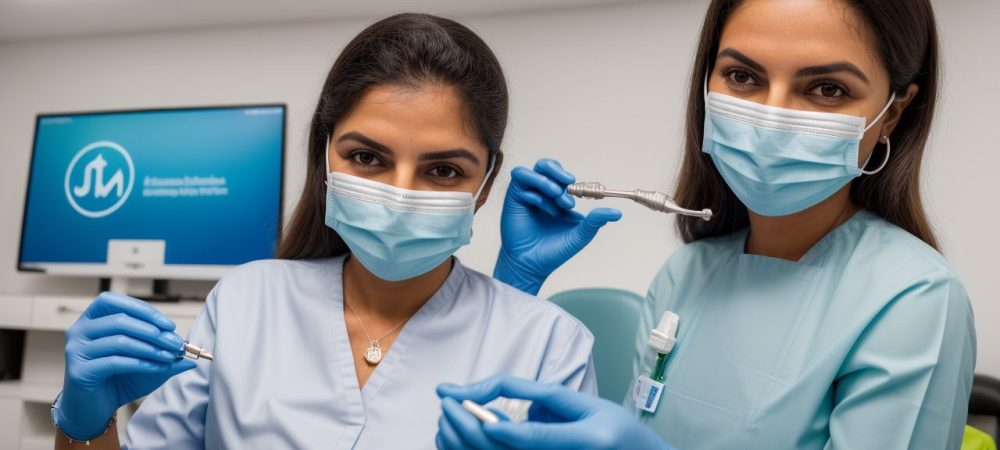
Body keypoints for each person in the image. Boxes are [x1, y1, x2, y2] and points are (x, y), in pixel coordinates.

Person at [436, 0, 976, 448]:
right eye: (743, 77)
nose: (771, 116)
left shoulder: (915, 301)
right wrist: (516, 286)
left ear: (894, 112)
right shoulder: (686, 275)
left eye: (827, 89)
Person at [51, 13, 596, 450]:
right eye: (366, 157)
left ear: (486, 181)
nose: (400, 194)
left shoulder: (550, 343)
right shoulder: (247, 300)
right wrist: (84, 425)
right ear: (326, 156)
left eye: (443, 170)